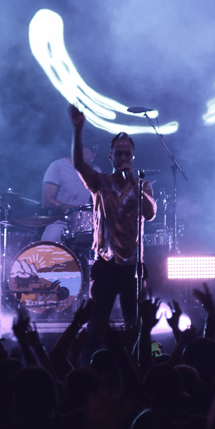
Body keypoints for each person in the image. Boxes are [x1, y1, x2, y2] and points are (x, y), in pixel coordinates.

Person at [68, 105, 155, 359]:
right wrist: (77, 129)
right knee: (96, 324)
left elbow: (150, 213)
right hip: (105, 263)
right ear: (111, 157)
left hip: (131, 265)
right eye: (119, 154)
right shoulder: (100, 182)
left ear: (133, 157)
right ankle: (86, 369)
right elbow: (77, 164)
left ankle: (139, 369)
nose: (123, 158)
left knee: (134, 324)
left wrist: (134, 182)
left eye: (127, 154)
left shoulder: (141, 184)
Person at [40, 146, 97, 243]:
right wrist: (74, 211)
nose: (95, 152)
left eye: (97, 148)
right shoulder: (58, 167)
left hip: (87, 227)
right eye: (91, 148)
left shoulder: (96, 171)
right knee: (47, 247)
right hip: (59, 223)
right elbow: (47, 201)